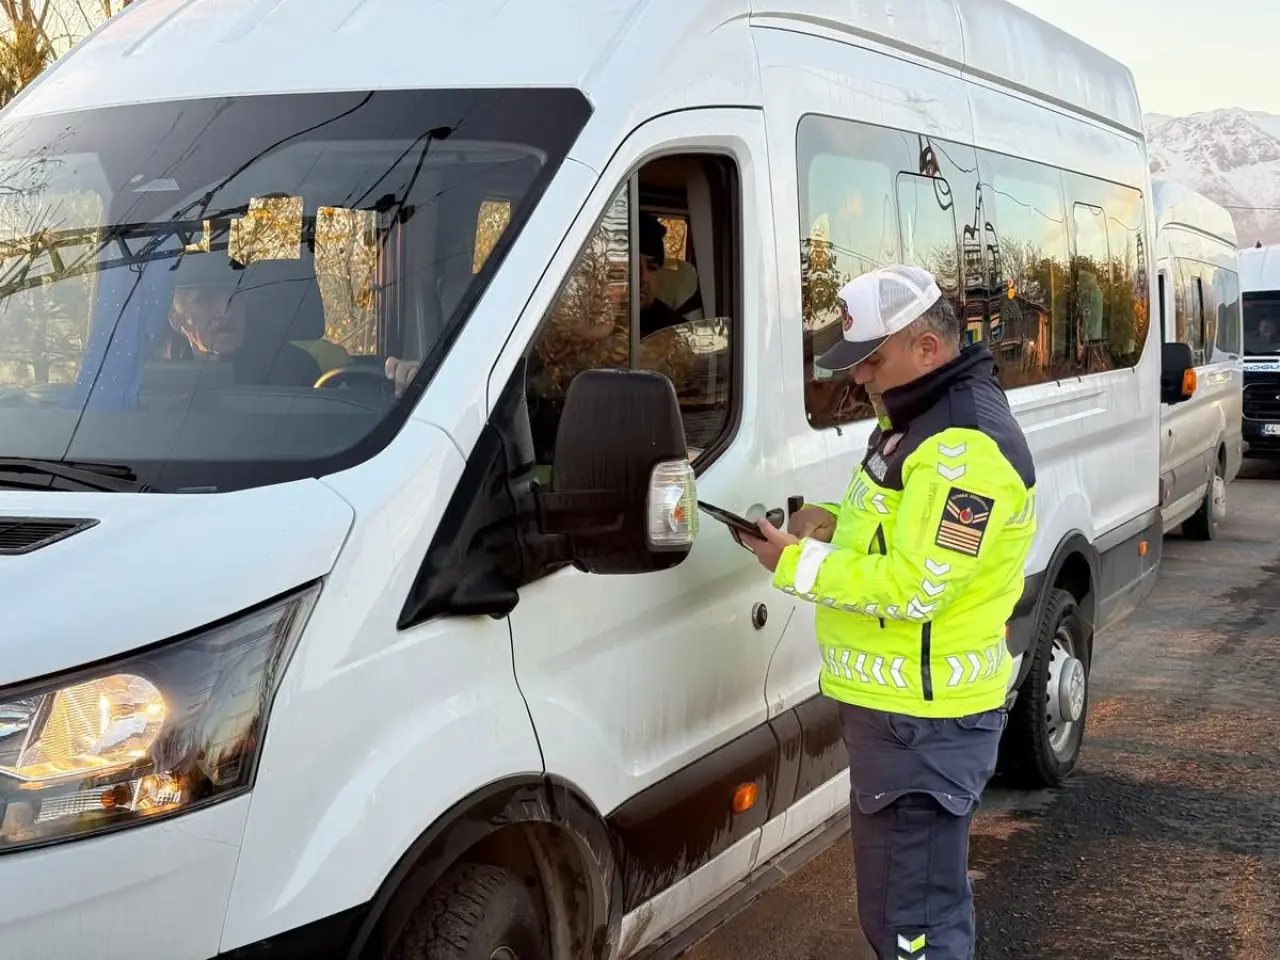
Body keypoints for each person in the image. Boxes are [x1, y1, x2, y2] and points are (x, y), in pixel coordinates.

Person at [741, 264, 1037, 960]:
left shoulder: (962, 448)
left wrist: (792, 562)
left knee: (917, 931)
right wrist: (830, 523)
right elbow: (904, 533)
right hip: (904, 720)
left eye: (871, 361)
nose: (861, 379)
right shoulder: (919, 418)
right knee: (898, 916)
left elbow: (918, 584)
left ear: (927, 349)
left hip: (924, 726)